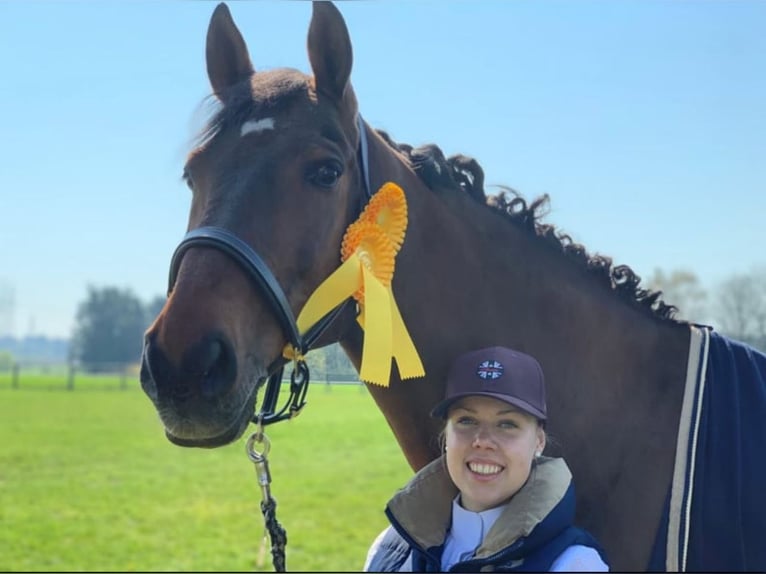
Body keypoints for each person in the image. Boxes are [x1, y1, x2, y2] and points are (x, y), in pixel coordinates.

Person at [364, 346, 609, 572]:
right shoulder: (389, 548)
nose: (482, 440)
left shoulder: (573, 564)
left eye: (507, 424)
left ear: (539, 442)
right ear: (445, 436)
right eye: (466, 421)